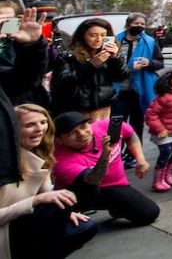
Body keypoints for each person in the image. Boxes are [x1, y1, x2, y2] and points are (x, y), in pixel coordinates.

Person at [0, 104, 96, 259]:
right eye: (29, 125)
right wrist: (36, 201)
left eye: (43, 122)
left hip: (25, 222)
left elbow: (47, 195)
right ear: (11, 128)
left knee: (85, 226)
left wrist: (62, 215)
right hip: (5, 231)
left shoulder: (43, 153)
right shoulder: (5, 161)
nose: (39, 129)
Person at [51, 112, 158, 226]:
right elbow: (91, 181)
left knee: (150, 213)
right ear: (59, 140)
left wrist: (140, 159)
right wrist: (105, 153)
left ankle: (117, 206)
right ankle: (71, 214)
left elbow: (130, 134)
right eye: (72, 133)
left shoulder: (105, 126)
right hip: (82, 193)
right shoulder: (59, 159)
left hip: (116, 185)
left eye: (84, 127)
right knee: (93, 190)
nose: (81, 134)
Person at [50, 19, 130, 120]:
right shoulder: (68, 56)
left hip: (102, 108)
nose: (98, 39)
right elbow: (61, 82)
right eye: (93, 35)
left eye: (103, 35)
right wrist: (91, 65)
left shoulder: (111, 54)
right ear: (82, 35)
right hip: (76, 109)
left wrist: (115, 59)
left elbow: (121, 76)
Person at [112, 13, 163, 168]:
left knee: (137, 123)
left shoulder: (149, 42)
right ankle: (114, 153)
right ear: (128, 25)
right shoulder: (116, 40)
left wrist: (149, 63)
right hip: (119, 89)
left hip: (139, 89)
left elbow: (159, 62)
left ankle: (133, 154)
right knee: (116, 122)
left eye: (142, 24)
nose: (140, 26)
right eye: (137, 23)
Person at [0, 4, 50, 109]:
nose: (3, 26)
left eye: (8, 22)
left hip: (23, 107)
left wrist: (33, 45)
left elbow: (21, 81)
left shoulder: (18, 44)